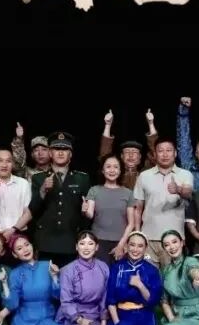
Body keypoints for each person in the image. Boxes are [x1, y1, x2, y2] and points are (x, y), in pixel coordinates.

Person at [4, 233, 70, 325]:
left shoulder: (47, 265)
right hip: (24, 322)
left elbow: (58, 296)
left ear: (32, 246)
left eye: (27, 245)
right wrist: (5, 284)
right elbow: (13, 303)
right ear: (15, 254)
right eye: (19, 248)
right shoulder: (15, 273)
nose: (25, 249)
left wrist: (55, 277)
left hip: (46, 318)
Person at [100, 231, 163, 325]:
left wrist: (140, 285)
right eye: (132, 245)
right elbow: (110, 298)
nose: (135, 249)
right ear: (126, 246)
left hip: (142, 317)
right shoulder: (117, 267)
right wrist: (117, 323)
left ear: (145, 248)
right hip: (119, 315)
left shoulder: (152, 270)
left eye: (140, 246)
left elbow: (153, 300)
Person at [29, 132, 91, 265]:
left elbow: (86, 216)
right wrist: (43, 190)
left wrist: (85, 213)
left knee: (69, 278)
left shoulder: (82, 179)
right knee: (44, 278)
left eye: (65, 149)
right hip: (45, 242)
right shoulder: (38, 178)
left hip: (70, 241)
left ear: (71, 154)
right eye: (57, 149)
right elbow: (32, 210)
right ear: (50, 153)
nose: (61, 153)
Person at [133, 137, 194, 264]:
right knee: (148, 275)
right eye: (160, 151)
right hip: (148, 238)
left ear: (175, 153)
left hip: (174, 240)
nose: (165, 154)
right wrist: (138, 234)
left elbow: (188, 193)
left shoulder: (185, 174)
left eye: (169, 150)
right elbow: (138, 208)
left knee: (172, 276)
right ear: (155, 154)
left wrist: (178, 189)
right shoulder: (144, 176)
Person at [56, 231, 110, 325]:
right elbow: (66, 301)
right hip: (73, 316)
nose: (86, 248)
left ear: (96, 247)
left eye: (90, 244)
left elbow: (105, 296)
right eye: (82, 243)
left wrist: (104, 320)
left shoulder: (103, 267)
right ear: (76, 247)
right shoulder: (68, 270)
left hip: (95, 315)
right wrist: (79, 320)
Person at [84, 154, 136, 264]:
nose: (112, 170)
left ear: (120, 171)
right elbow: (90, 215)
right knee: (100, 273)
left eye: (116, 167)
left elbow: (131, 223)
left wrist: (122, 244)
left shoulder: (128, 193)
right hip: (98, 241)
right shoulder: (94, 190)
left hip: (121, 241)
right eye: (108, 167)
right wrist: (84, 210)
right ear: (103, 170)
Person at [98, 108, 159, 189]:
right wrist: (108, 125)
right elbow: (104, 157)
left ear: (140, 157)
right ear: (121, 156)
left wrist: (151, 124)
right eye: (127, 152)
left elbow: (156, 153)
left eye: (134, 152)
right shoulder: (115, 173)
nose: (130, 155)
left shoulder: (146, 172)